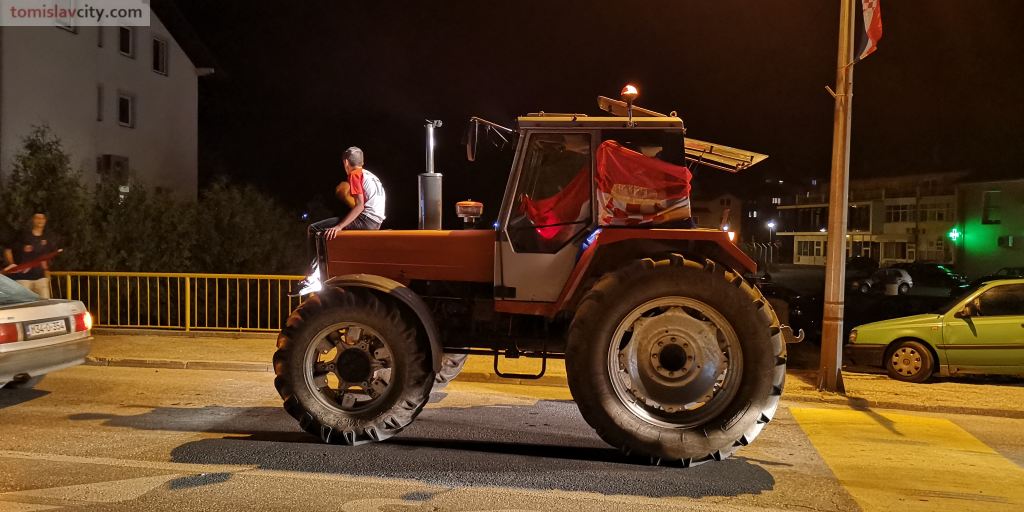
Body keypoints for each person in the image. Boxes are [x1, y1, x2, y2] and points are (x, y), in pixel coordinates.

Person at [295, 147, 386, 295]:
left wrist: (339, 226)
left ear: (345, 162)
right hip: (376, 221)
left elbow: (360, 205)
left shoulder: (355, 175)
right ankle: (325, 273)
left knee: (314, 229)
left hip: (366, 219)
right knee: (330, 235)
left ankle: (312, 278)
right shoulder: (371, 176)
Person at [3, 212, 56, 298]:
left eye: (42, 218)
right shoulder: (23, 235)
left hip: (41, 279)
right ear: (33, 220)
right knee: (24, 308)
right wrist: (12, 264)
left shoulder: (47, 238)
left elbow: (47, 257)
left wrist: (46, 269)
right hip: (23, 279)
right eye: (37, 218)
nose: (40, 220)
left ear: (45, 221)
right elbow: (8, 249)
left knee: (45, 307)